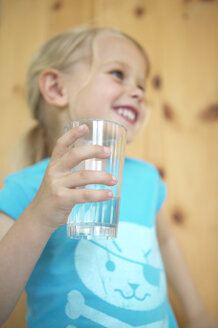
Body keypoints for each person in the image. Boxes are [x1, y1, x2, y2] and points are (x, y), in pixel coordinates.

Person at [0, 26, 216, 328]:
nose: (139, 92)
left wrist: (196, 313)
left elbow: (165, 240)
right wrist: (39, 217)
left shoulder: (146, 177)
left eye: (142, 85)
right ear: (56, 88)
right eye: (118, 73)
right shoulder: (25, 188)